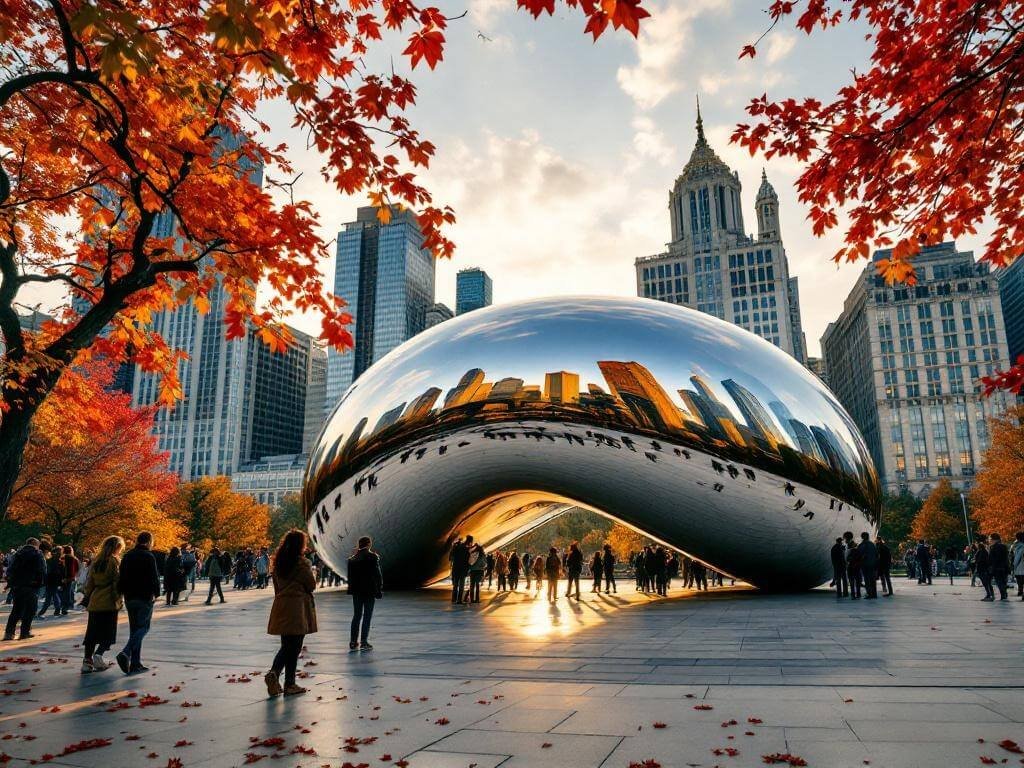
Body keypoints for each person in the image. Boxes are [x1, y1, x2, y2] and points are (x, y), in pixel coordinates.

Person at [264, 530, 318, 697]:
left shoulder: (278, 563)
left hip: (281, 606)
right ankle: (288, 683)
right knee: (294, 647)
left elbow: (277, 588)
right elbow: (311, 585)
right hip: (297, 608)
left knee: (286, 645)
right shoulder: (302, 564)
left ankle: (276, 675)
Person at [115, 531, 161, 674]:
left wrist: (121, 592)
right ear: (149, 542)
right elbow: (154, 576)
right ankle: (126, 652)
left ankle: (135, 663)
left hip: (130, 596)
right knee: (144, 627)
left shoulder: (128, 555)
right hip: (144, 596)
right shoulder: (148, 556)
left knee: (134, 630)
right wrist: (157, 593)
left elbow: (121, 576)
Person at [81, 536, 124, 673]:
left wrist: (88, 597)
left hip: (95, 600)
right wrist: (119, 600)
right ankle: (98, 655)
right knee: (108, 633)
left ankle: (87, 661)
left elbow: (89, 583)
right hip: (108, 601)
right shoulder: (114, 561)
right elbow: (117, 582)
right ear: (117, 547)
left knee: (92, 633)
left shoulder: (96, 561)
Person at [3, 538, 46, 641]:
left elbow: (10, 570)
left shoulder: (17, 554)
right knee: (30, 610)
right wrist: (39, 583)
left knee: (16, 609)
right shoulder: (37, 554)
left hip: (18, 586)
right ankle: (24, 632)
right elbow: (41, 570)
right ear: (35, 544)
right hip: (31, 586)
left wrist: (11, 584)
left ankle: (9, 633)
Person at [346, 535, 381, 652]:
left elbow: (350, 578)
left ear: (359, 545)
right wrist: (379, 589)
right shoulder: (373, 557)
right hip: (369, 590)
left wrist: (351, 590)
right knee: (367, 616)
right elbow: (377, 575)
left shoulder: (352, 559)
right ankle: (364, 642)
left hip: (357, 591)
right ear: (369, 544)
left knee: (356, 616)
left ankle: (353, 641)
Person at [37, 545, 65, 618]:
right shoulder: (58, 562)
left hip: (51, 581)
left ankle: (43, 612)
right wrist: (61, 583)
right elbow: (61, 573)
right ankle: (55, 611)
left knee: (50, 597)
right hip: (53, 581)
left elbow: (47, 572)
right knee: (52, 596)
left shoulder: (50, 561)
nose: (60, 554)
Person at [449, 536, 470, 605]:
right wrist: (467, 570)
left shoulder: (456, 548)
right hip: (462, 570)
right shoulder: (466, 550)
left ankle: (453, 599)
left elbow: (451, 558)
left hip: (456, 569)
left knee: (455, 585)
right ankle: (459, 600)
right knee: (461, 585)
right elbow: (468, 561)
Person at [857, 532, 878, 599]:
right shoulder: (872, 544)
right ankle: (874, 594)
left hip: (865, 565)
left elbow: (859, 555)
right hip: (872, 565)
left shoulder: (862, 545)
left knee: (867, 580)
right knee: (872, 580)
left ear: (862, 537)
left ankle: (869, 593)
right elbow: (876, 555)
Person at [990, 533, 1010, 601]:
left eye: (991, 539)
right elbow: (1007, 558)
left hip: (997, 568)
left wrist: (992, 567)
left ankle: (1003, 595)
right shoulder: (1004, 546)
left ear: (995, 539)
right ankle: (1005, 594)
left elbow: (993, 559)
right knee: (1004, 581)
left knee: (999, 582)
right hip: (1005, 567)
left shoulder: (993, 547)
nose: (990, 540)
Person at [61, 546, 80, 615]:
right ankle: (69, 605)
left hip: (65, 577)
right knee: (69, 591)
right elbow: (77, 568)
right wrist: (74, 575)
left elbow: (64, 568)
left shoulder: (64, 558)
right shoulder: (74, 558)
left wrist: (65, 578)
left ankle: (65, 607)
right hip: (71, 577)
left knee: (65, 592)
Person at [976, 537, 994, 601]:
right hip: (984, 569)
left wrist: (976, 561)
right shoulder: (984, 551)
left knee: (986, 582)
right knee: (987, 582)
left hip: (982, 569)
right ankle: (990, 594)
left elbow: (980, 560)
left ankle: (989, 594)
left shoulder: (981, 552)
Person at [845, 532, 862, 599]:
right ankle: (858, 594)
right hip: (856, 567)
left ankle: (853, 594)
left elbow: (847, 559)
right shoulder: (857, 550)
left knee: (852, 582)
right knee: (857, 582)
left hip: (851, 567)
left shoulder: (850, 550)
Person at [1012, 532, 1024, 601]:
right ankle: (1021, 593)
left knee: (1020, 582)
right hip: (1021, 568)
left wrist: (1014, 566)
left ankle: (1021, 592)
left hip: (1020, 568)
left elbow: (1017, 557)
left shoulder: (1019, 546)